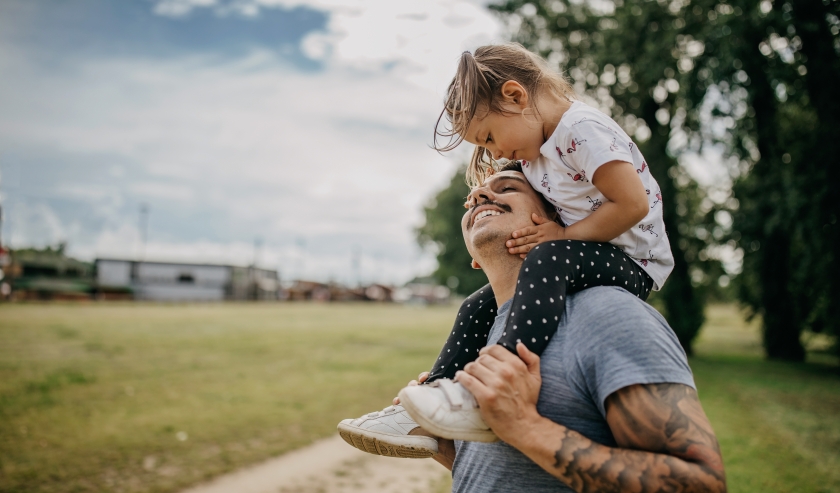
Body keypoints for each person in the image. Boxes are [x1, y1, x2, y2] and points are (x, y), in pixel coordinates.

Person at [340, 42, 675, 446]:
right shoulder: (538, 151)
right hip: (589, 252)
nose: (494, 152)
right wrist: (482, 199)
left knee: (551, 255)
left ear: (515, 96)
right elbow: (508, 191)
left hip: (633, 260)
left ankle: (495, 384)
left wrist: (563, 236)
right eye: (484, 147)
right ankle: (431, 402)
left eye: (489, 136)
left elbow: (632, 203)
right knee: (476, 304)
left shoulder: (582, 130)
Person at [343, 166, 726, 492]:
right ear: (473, 260)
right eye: (474, 198)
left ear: (558, 222)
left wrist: (524, 426)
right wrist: (448, 444)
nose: (480, 196)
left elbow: (702, 483)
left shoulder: (609, 315)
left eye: (507, 188)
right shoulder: (483, 331)